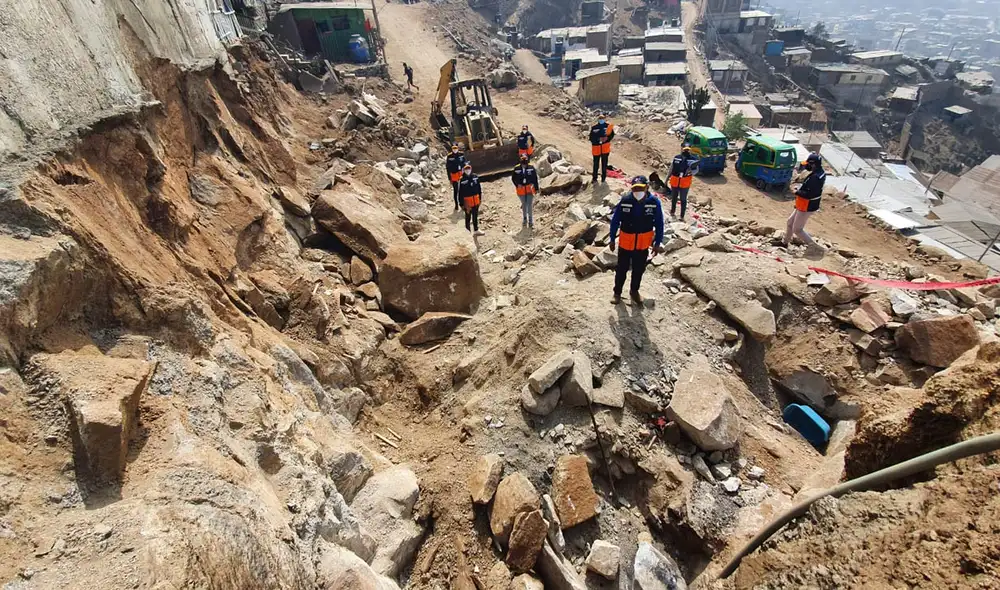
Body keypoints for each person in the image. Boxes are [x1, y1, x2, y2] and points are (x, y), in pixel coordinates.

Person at [609, 176, 665, 305]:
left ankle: (634, 291)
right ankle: (617, 293)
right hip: (625, 243)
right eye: (635, 189)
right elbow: (615, 221)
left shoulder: (654, 202)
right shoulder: (625, 200)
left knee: (638, 270)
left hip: (642, 244)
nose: (637, 191)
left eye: (640, 188)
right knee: (621, 269)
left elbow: (659, 224)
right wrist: (612, 238)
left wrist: (657, 243)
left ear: (647, 187)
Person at [784, 152, 826, 252]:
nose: (807, 166)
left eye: (808, 164)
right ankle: (784, 242)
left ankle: (814, 247)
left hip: (807, 205)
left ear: (813, 164)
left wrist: (796, 191)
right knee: (790, 222)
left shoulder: (815, 178)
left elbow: (809, 194)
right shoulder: (819, 173)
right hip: (803, 204)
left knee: (797, 229)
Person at [668, 143, 699, 220]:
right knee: (674, 197)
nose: (686, 150)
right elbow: (671, 169)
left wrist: (690, 171)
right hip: (675, 180)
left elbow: (696, 170)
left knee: (683, 199)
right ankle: (672, 212)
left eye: (688, 149)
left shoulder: (693, 159)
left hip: (685, 182)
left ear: (690, 149)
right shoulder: (676, 158)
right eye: (685, 149)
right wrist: (666, 180)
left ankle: (682, 216)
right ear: (682, 148)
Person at [511, 153, 540, 228]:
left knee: (529, 205)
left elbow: (535, 178)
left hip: (529, 189)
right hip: (521, 190)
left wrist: (536, 188)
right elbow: (513, 178)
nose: (524, 163)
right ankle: (524, 219)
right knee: (524, 204)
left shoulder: (531, 167)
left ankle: (530, 221)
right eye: (522, 160)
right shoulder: (516, 168)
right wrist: (517, 185)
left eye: (525, 160)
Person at [458, 163, 483, 235]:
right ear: (464, 170)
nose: (467, 170)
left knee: (475, 216)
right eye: (466, 169)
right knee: (468, 217)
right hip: (467, 202)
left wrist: (480, 198)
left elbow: (479, 188)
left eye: (468, 168)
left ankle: (476, 229)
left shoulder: (475, 177)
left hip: (476, 200)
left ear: (471, 169)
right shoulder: (462, 180)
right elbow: (460, 193)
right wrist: (461, 204)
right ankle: (467, 232)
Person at [589, 114, 615, 184]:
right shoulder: (594, 127)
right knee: (596, 164)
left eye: (602, 118)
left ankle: (603, 178)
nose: (601, 120)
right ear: (598, 119)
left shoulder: (608, 127)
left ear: (604, 119)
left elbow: (612, 135)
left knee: (604, 164)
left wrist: (607, 139)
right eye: (600, 119)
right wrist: (598, 139)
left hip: (605, 149)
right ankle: (594, 178)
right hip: (596, 148)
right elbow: (591, 138)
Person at [445, 143, 466, 210]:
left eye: (456, 148)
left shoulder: (461, 154)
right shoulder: (449, 156)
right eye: (453, 148)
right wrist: (449, 178)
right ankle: (456, 204)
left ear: (458, 148)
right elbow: (447, 168)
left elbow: (465, 164)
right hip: (454, 175)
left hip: (461, 174)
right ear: (452, 149)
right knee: (456, 190)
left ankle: (462, 203)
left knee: (463, 190)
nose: (455, 149)